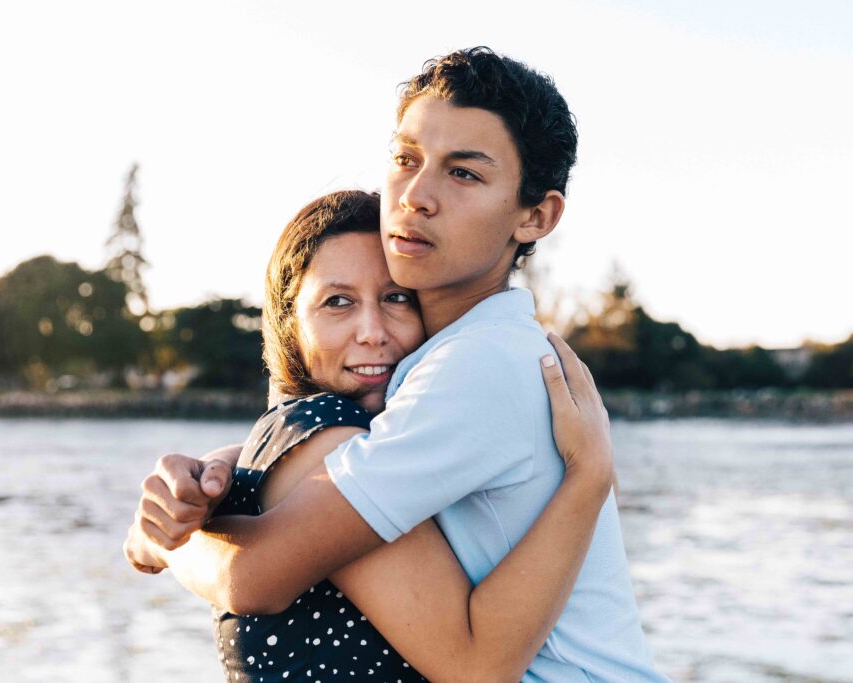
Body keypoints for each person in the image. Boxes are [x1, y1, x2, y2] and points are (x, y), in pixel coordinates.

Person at [129, 47, 668, 681]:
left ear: (535, 216)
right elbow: (343, 448)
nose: (416, 196)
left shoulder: (478, 367)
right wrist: (220, 467)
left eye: (462, 173)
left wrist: (162, 542)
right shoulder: (461, 357)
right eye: (406, 160)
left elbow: (254, 576)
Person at [126, 189, 614, 682]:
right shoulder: (331, 442)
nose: (372, 332)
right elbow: (477, 668)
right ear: (289, 323)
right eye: (337, 302)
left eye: (396, 298)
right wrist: (588, 477)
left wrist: (175, 525)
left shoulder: (317, 441)